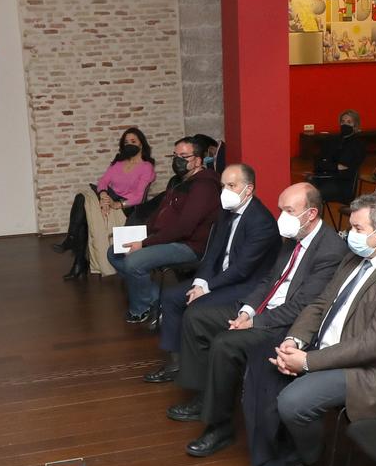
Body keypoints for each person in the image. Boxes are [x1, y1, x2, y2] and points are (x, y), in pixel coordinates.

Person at [244, 193, 376, 466]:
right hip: (325, 346)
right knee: (261, 364)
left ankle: (306, 458)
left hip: (367, 370)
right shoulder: (357, 256)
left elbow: (373, 345)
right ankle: (274, 457)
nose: (350, 235)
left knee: (293, 402)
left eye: (357, 229)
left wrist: (305, 362)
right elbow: (320, 303)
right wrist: (295, 339)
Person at [170, 183, 346, 458]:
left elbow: (304, 306)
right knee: (197, 315)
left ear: (311, 213)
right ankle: (205, 395)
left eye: (289, 210)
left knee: (225, 345)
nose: (282, 216)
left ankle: (219, 426)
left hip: (286, 324)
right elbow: (270, 279)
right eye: (281, 209)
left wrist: (256, 322)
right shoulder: (294, 238)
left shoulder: (330, 249)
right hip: (262, 310)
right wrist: (247, 311)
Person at [144, 163, 275, 380]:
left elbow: (242, 270)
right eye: (223, 186)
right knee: (171, 296)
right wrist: (200, 283)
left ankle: (199, 374)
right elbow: (212, 252)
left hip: (245, 285)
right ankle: (176, 362)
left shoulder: (261, 222)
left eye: (232, 185)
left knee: (196, 308)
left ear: (248, 189)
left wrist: (207, 288)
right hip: (218, 277)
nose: (225, 191)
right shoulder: (226, 211)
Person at [109, 135, 220, 325]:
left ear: (198, 161)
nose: (177, 160)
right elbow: (159, 216)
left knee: (134, 261)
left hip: (189, 246)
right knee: (114, 252)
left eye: (184, 156)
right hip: (167, 238)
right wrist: (135, 234)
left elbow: (184, 228)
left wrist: (143, 243)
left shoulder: (204, 186)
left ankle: (140, 309)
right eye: (174, 155)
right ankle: (155, 299)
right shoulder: (178, 181)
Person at [59, 126, 157, 281]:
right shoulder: (118, 163)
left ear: (141, 144)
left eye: (133, 141)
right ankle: (74, 248)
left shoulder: (146, 167)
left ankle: (78, 259)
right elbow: (103, 181)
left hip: (126, 206)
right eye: (126, 142)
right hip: (108, 197)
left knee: (84, 214)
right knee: (82, 198)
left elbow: (138, 196)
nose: (129, 144)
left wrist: (116, 204)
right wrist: (104, 196)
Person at [310, 111, 366, 213]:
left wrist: (327, 164)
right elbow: (317, 164)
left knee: (313, 195)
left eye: (349, 122)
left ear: (355, 125)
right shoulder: (331, 140)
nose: (345, 124)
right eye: (343, 121)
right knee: (302, 191)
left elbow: (347, 168)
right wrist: (335, 166)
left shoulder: (358, 144)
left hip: (342, 185)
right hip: (323, 178)